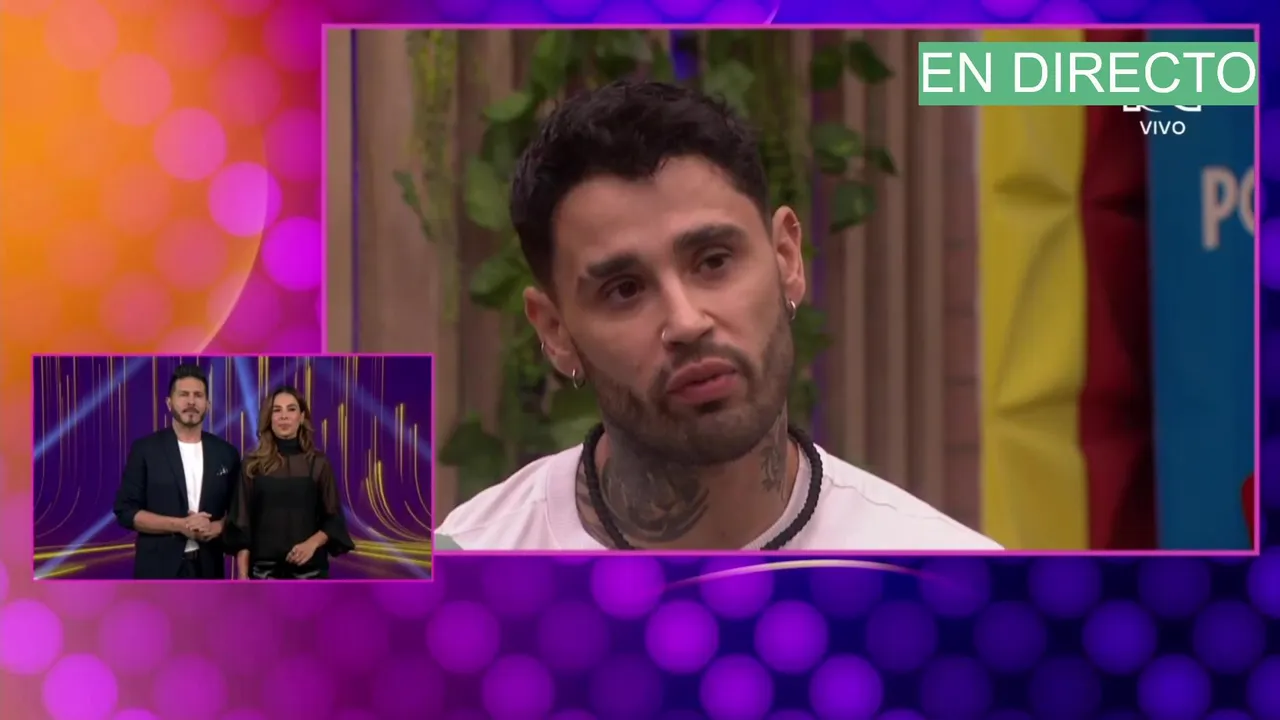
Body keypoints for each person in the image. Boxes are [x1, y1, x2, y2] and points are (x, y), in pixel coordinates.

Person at [437, 80, 1002, 551]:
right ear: (556, 331)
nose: (686, 322)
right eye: (624, 289)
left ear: (786, 258)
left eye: (713, 261)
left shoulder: (949, 585)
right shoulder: (459, 573)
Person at [113, 363, 241, 578]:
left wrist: (216, 527)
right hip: (157, 571)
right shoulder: (145, 449)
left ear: (208, 404)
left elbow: (239, 513)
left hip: (209, 568)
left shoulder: (226, 453)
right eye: (183, 394)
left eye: (198, 395)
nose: (191, 402)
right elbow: (126, 512)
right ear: (169, 402)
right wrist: (180, 525)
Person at [225, 386, 354, 579]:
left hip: (311, 572)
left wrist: (311, 544)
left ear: (301, 417)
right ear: (269, 418)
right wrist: (243, 577)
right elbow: (241, 526)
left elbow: (333, 520)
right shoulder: (252, 465)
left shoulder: (318, 463)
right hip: (263, 573)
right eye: (277, 410)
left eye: (291, 409)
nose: (284, 416)